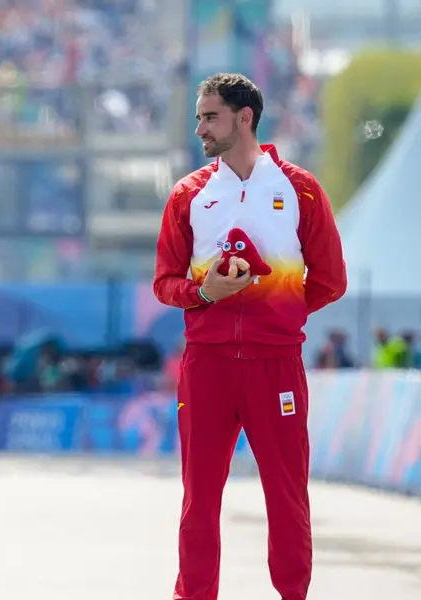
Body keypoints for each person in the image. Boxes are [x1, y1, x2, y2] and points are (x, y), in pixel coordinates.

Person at [152, 73, 347, 600]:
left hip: (276, 365)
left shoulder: (300, 189)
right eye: (198, 117)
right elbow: (164, 282)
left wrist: (276, 315)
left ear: (244, 118)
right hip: (208, 366)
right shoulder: (189, 194)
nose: (199, 128)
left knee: (287, 498)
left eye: (209, 117)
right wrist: (205, 293)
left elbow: (331, 280)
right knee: (199, 499)